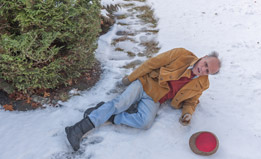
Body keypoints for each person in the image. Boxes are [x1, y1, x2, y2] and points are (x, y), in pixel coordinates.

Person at [65, 48, 221, 151]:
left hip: (156, 98)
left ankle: (107, 115)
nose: (203, 69)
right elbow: (152, 63)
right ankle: (76, 130)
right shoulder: (181, 54)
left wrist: (187, 113)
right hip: (145, 83)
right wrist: (130, 78)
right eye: (205, 64)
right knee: (120, 103)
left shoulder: (202, 83)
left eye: (207, 71)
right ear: (204, 57)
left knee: (144, 123)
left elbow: (191, 101)